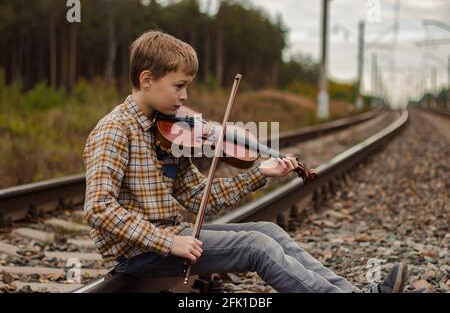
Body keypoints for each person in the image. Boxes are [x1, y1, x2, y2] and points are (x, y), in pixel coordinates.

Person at [83, 30, 411, 293]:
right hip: (137, 253)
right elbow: (98, 207)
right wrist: (169, 241)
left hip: (170, 236)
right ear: (146, 80)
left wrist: (259, 174)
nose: (185, 97)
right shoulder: (114, 131)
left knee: (269, 231)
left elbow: (199, 197)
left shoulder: (170, 130)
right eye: (178, 86)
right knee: (256, 246)